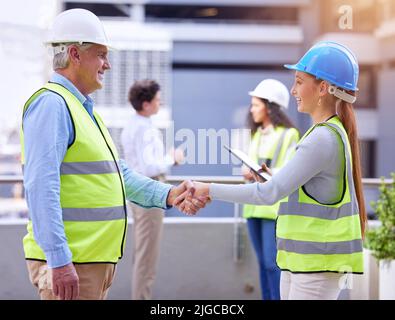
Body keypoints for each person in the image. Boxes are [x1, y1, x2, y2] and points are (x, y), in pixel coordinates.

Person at [20, 8, 208, 300]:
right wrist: (58, 259)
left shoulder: (82, 110)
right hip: (72, 265)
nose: (107, 65)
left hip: (87, 263)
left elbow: (119, 174)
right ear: (75, 54)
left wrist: (169, 195)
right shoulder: (52, 105)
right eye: (101, 54)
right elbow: (40, 187)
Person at [175, 41, 367, 300]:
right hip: (305, 264)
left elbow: (269, 194)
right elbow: (305, 188)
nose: (293, 89)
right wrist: (274, 176)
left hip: (314, 267)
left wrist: (207, 189)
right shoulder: (326, 133)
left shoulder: (322, 138)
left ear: (323, 88)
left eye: (299, 81)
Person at [121, 79, 184, 300]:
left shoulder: (136, 125)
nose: (160, 102)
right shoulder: (142, 128)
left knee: (142, 254)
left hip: (140, 192)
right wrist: (172, 159)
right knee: (147, 256)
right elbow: (149, 166)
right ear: (146, 104)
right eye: (157, 99)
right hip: (148, 192)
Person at [242, 79, 299, 300]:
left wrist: (260, 172)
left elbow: (288, 169)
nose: (252, 109)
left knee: (272, 264)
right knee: (262, 265)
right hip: (253, 207)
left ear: (269, 105)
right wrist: (248, 171)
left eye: (256, 104)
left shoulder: (289, 135)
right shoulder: (256, 135)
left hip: (272, 209)